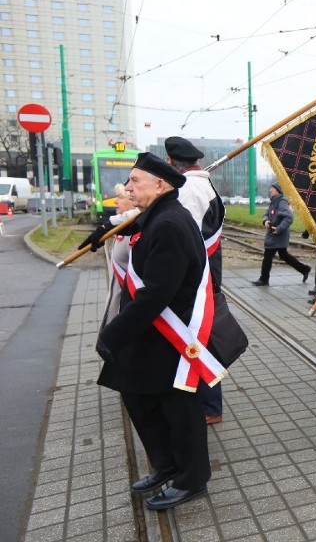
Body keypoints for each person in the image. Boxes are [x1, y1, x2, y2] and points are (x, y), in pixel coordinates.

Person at [96, 153, 213, 511]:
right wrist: (102, 231)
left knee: (181, 410)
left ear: (159, 185)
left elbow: (157, 291)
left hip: (170, 334)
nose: (128, 187)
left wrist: (113, 334)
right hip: (151, 331)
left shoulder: (169, 223)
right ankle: (166, 464)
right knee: (136, 395)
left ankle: (192, 479)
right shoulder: (158, 215)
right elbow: (132, 229)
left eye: (134, 181)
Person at [164, 136, 227, 426]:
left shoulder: (188, 189)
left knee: (197, 339)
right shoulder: (203, 184)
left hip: (196, 275)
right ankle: (206, 402)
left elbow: (180, 233)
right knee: (200, 337)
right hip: (205, 271)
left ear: (170, 162)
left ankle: (209, 406)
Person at [252, 184, 311, 286]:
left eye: (272, 189)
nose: (270, 190)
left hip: (277, 234)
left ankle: (264, 279)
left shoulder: (282, 202)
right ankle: (304, 269)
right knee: (284, 255)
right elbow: (266, 214)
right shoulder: (274, 201)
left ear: (277, 190)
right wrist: (265, 221)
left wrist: (279, 228)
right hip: (274, 233)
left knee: (268, 255)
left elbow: (289, 217)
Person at [99, 183, 140, 326]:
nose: (115, 201)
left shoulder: (133, 235)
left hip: (124, 311)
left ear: (133, 201)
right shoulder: (123, 230)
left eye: (120, 197)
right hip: (116, 305)